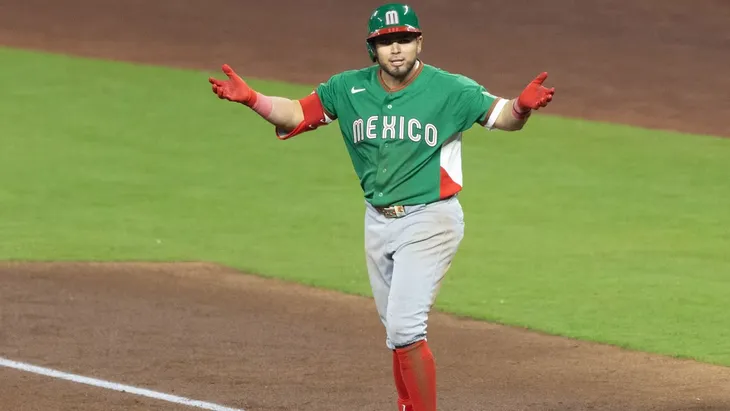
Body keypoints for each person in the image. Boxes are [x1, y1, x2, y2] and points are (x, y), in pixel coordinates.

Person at [208, 3, 555, 410]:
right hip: (377, 221)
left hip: (430, 219)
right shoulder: (347, 88)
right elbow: (297, 113)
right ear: (372, 48)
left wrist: (521, 107)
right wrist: (252, 99)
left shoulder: (451, 90)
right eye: (386, 41)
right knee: (396, 332)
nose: (396, 49)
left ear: (419, 43)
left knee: (406, 328)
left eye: (404, 39)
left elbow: (502, 115)